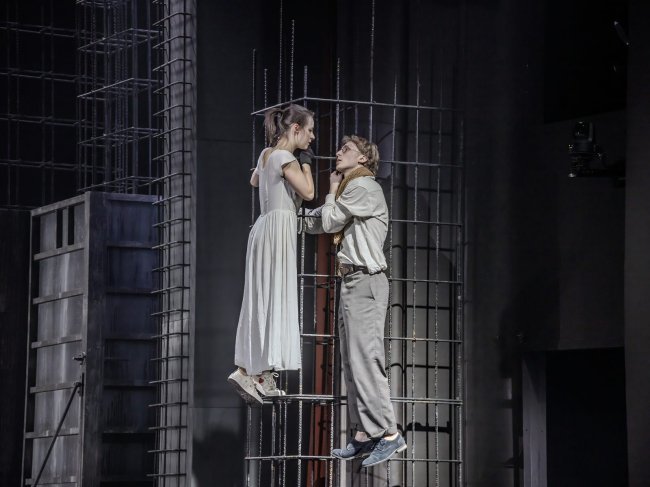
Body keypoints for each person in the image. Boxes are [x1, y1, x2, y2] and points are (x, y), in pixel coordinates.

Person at [302, 135, 406, 467]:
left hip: (365, 281)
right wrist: (286, 217)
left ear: (363, 159)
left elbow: (330, 220)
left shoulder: (364, 186)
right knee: (352, 362)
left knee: (366, 360)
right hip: (351, 281)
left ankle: (390, 434)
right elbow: (320, 220)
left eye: (346, 149)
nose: (338, 152)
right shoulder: (351, 192)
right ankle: (364, 433)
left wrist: (331, 189)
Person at [228, 104, 315, 404]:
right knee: (274, 297)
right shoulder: (284, 157)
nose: (312, 137)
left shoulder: (267, 154)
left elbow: (254, 180)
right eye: (309, 130)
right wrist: (305, 163)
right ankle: (250, 370)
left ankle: (258, 372)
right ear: (295, 129)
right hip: (277, 230)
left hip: (264, 227)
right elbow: (309, 192)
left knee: (262, 298)